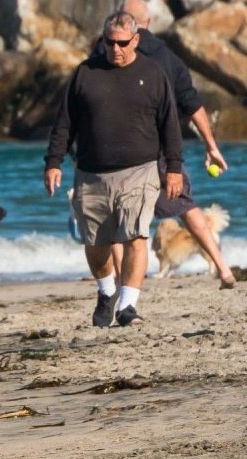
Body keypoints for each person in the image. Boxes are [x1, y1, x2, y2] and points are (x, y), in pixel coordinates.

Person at [44, 10, 186, 327]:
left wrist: (174, 168)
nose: (115, 49)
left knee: (136, 236)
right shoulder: (85, 73)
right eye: (109, 42)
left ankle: (127, 305)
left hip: (140, 170)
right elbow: (64, 125)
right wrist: (54, 162)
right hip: (91, 173)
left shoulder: (152, 73)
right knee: (96, 243)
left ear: (135, 39)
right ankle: (107, 291)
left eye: (121, 43)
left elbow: (170, 125)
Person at [110, 0, 235, 289]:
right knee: (186, 206)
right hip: (165, 152)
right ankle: (223, 267)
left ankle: (119, 281)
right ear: (149, 22)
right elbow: (194, 105)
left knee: (115, 216)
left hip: (121, 152)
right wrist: (211, 145)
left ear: (123, 23)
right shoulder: (169, 58)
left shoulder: (110, 52)